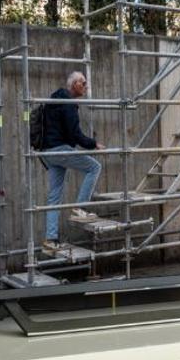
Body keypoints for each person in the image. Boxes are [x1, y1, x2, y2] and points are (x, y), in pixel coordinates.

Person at [43, 71, 104, 251]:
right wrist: (93, 144)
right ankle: (80, 208)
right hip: (60, 149)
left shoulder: (55, 100)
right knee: (94, 167)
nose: (86, 87)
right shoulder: (68, 103)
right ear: (75, 84)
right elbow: (74, 134)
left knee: (54, 196)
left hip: (48, 152)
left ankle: (50, 239)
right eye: (84, 83)